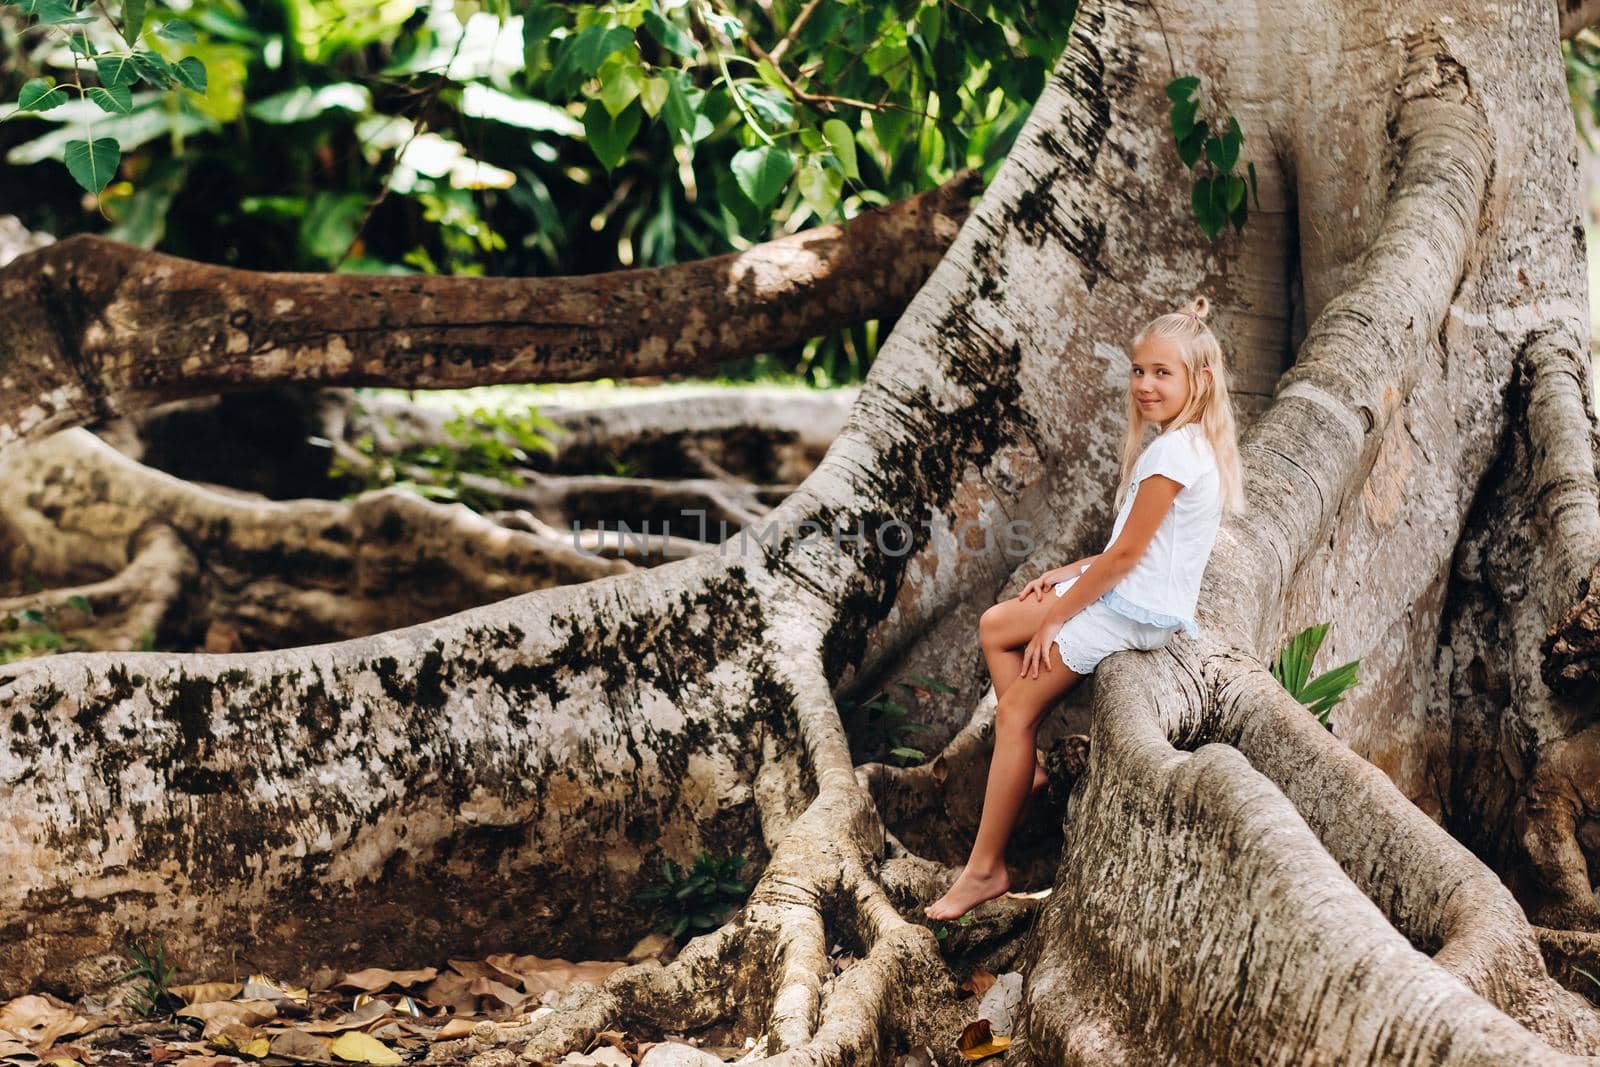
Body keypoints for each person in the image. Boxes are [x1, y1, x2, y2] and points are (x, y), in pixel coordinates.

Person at [924, 296, 1246, 922]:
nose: (1146, 385)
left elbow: (1126, 559)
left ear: (1199, 382)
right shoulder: (1183, 443)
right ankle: (1031, 769)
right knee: (995, 626)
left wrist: (1057, 616)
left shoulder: (1175, 453)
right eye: (1139, 370)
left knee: (1014, 708)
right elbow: (1129, 547)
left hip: (1134, 611)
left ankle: (986, 869)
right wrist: (1065, 575)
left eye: (1163, 373)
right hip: (1129, 595)